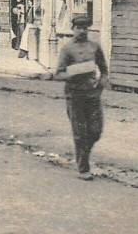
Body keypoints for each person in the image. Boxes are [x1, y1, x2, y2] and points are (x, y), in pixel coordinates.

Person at [54, 14, 109, 180]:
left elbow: (104, 70)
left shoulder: (95, 47)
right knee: (80, 133)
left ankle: (83, 156)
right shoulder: (67, 49)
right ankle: (83, 168)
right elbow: (58, 74)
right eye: (79, 28)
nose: (82, 31)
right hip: (75, 95)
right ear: (73, 29)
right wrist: (75, 71)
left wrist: (101, 84)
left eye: (85, 28)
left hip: (92, 95)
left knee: (96, 132)